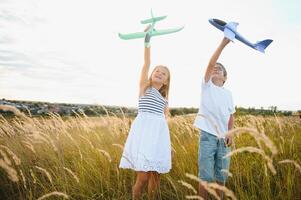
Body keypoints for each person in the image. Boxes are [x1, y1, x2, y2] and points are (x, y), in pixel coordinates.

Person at [119, 26, 171, 200]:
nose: (159, 73)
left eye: (163, 74)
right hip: (144, 133)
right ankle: (136, 196)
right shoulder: (144, 87)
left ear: (165, 82)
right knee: (143, 176)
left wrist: (167, 144)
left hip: (158, 135)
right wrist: (147, 41)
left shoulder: (165, 99)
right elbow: (146, 63)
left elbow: (165, 119)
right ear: (151, 74)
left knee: (156, 174)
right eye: (157, 71)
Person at [194, 37, 235, 199]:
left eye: (220, 69)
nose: (216, 68)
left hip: (224, 138)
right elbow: (211, 63)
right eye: (214, 68)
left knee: (221, 176)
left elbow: (231, 115)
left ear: (225, 78)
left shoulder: (228, 94)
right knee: (205, 176)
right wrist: (223, 43)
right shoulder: (207, 86)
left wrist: (230, 132)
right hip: (208, 136)